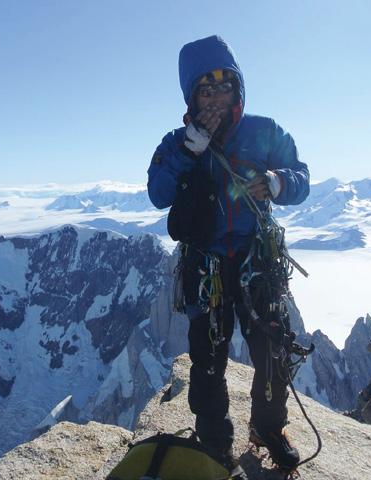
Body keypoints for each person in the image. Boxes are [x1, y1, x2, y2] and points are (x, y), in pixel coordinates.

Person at [147, 35, 310, 472]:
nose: (218, 97)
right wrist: (189, 149)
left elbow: (301, 176)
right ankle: (216, 438)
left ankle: (269, 427)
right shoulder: (176, 144)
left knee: (272, 349)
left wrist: (277, 181)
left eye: (224, 86)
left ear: (238, 88)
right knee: (207, 358)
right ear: (192, 96)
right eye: (207, 88)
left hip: (257, 262)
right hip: (207, 265)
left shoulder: (265, 131)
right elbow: (158, 193)